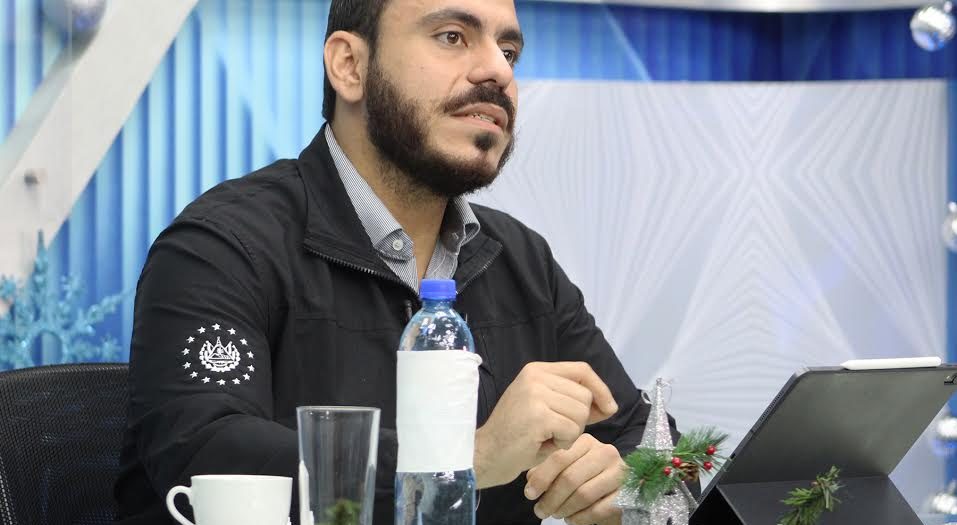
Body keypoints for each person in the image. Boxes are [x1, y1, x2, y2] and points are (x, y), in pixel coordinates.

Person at [115, 0, 683, 524]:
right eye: (453, 36)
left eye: (509, 51)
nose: (498, 71)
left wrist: (625, 485)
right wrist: (465, 457)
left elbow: (655, 449)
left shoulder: (522, 259)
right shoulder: (222, 245)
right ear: (349, 66)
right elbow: (205, 454)